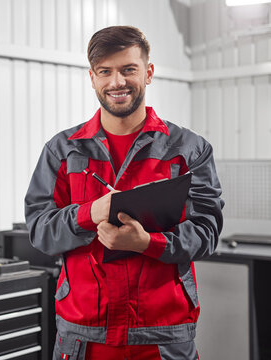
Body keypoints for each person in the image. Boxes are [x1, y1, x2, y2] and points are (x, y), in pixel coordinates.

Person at [24, 25, 224, 360]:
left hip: (163, 335)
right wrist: (90, 213)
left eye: (128, 69)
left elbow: (206, 232)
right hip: (83, 337)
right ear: (92, 77)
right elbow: (40, 231)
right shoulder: (63, 151)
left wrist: (147, 243)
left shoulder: (188, 150)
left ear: (148, 73)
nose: (117, 82)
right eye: (105, 71)